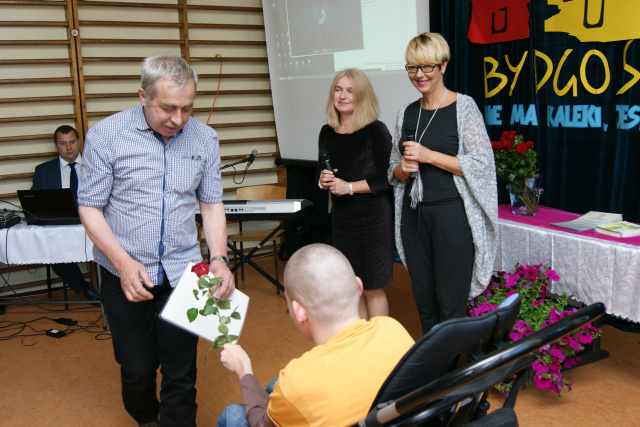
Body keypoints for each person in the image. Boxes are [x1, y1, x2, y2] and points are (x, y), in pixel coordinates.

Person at [77, 55, 234, 427]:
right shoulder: (106, 135)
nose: (178, 119)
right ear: (143, 96)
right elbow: (89, 207)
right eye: (167, 108)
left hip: (185, 271)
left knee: (182, 369)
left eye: (187, 108)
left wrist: (219, 258)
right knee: (138, 367)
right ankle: (146, 417)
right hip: (125, 273)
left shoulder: (204, 138)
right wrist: (122, 262)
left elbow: (211, 204)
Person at [216, 243, 415, 427]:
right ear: (358, 287)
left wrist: (244, 369)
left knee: (232, 414)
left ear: (299, 312)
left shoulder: (297, 381)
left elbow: (260, 422)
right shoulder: (392, 328)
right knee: (275, 385)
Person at [388, 33, 498, 335]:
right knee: (424, 302)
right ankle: (435, 360)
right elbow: (392, 171)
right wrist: (402, 169)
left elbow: (482, 165)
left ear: (444, 66)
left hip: (452, 218)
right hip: (413, 218)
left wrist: (429, 156)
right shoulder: (406, 112)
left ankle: (452, 363)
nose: (419, 75)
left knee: (450, 303)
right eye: (412, 68)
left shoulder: (464, 107)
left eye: (427, 67)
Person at [316, 68, 394, 319]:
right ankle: (361, 341)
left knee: (371, 289)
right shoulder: (327, 131)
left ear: (362, 95)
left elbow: (389, 177)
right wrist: (323, 181)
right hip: (342, 221)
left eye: (350, 91)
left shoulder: (375, 130)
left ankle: (380, 341)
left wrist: (349, 187)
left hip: (372, 221)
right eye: (338, 89)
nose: (343, 96)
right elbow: (322, 174)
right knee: (353, 287)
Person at [31, 125, 99, 301]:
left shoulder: (96, 166)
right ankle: (85, 289)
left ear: (79, 142)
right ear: (56, 145)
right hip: (60, 227)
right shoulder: (43, 171)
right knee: (52, 251)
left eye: (72, 142)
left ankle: (115, 291)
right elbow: (35, 204)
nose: (69, 148)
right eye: (63, 143)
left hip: (95, 224)